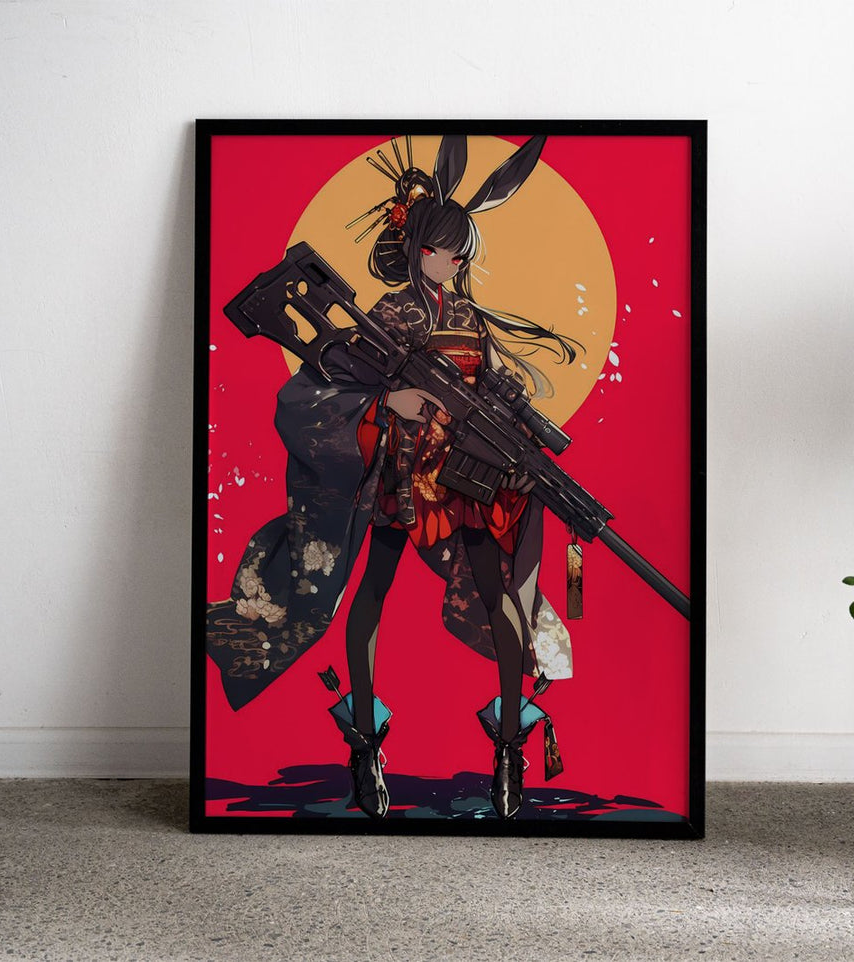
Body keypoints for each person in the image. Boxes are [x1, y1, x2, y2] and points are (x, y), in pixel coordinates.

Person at [206, 135, 581, 819]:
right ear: (418, 250)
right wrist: (388, 401)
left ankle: (508, 745)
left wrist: (519, 443)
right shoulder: (387, 313)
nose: (455, 264)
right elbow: (330, 383)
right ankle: (365, 744)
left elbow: (494, 390)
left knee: (497, 598)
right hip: (399, 475)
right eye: (445, 251)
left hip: (463, 479)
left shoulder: (468, 318)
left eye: (462, 254)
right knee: (370, 598)